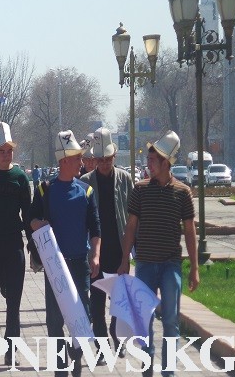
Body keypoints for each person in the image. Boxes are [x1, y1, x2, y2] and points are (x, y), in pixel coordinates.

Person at [117, 130, 199, 377]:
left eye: (153, 160)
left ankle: (169, 371)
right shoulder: (140, 190)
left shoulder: (182, 192)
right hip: (144, 265)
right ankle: (147, 367)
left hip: (170, 264)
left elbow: (190, 231)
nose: (148, 164)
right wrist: (124, 261)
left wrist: (194, 268)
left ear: (166, 163)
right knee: (145, 321)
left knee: (171, 320)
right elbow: (131, 227)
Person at [30, 130, 101, 377]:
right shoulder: (44, 190)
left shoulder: (86, 191)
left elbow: (95, 227)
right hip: (55, 267)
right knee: (54, 319)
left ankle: (77, 355)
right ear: (64, 162)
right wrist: (36, 224)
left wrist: (95, 255)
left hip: (80, 263)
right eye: (77, 159)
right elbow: (30, 219)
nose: (82, 163)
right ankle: (60, 368)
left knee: (83, 316)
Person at [0, 122, 32, 366]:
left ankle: (11, 349)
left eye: (9, 150)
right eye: (1, 150)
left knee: (14, 303)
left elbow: (28, 214)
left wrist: (34, 245)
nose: (5, 154)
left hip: (13, 246)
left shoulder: (20, 177)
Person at [80, 127, 133, 363]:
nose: (103, 164)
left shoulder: (124, 178)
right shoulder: (85, 182)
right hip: (96, 250)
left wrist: (133, 249)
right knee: (98, 300)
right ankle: (102, 348)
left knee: (119, 299)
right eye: (100, 159)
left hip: (120, 248)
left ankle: (117, 336)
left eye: (108, 159)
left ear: (114, 157)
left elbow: (133, 215)